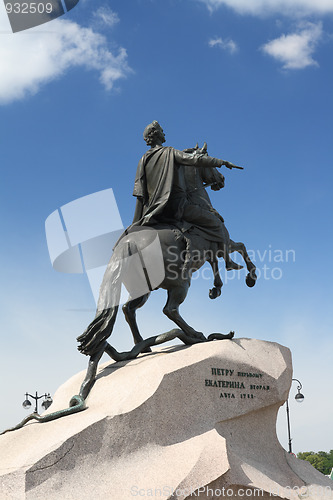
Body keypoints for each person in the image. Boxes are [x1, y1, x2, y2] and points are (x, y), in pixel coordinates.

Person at [132, 120, 241, 270]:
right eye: (162, 131)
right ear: (157, 135)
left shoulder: (142, 160)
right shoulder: (169, 152)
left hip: (153, 212)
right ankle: (227, 261)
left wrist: (136, 223)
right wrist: (221, 162)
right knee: (216, 224)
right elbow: (195, 159)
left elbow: (139, 194)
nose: (164, 133)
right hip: (177, 207)